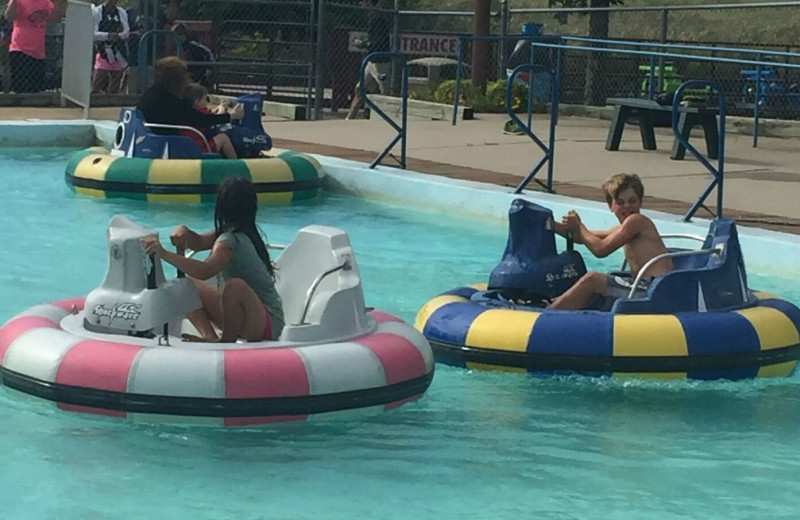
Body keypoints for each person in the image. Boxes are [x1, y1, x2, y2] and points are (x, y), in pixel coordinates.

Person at [141, 177, 285, 343]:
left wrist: (164, 253)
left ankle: (225, 341)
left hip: (267, 323)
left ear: (221, 208)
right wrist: (184, 231)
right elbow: (199, 242)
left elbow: (205, 271)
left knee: (234, 286)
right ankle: (208, 335)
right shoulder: (236, 233)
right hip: (254, 318)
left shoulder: (231, 241)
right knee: (187, 285)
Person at [547, 173, 674, 310]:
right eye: (620, 202)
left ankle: (545, 316)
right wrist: (551, 225)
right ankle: (555, 307)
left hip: (654, 289)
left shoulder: (636, 221)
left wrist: (579, 225)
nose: (627, 206)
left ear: (640, 201)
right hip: (644, 285)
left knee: (593, 279)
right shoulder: (621, 229)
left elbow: (600, 250)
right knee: (593, 283)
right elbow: (583, 237)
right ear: (610, 206)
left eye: (632, 201)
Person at [136, 56, 242, 157]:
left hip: (153, 139)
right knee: (220, 136)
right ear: (177, 80)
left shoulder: (152, 94)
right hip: (171, 143)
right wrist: (230, 117)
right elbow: (200, 119)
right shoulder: (168, 100)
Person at [345, 0, 392, 120]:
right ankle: (349, 119)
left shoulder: (378, 18)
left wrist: (362, 44)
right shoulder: (372, 17)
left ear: (370, 2)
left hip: (381, 63)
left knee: (386, 95)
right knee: (359, 90)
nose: (361, 3)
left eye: (364, 1)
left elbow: (378, 43)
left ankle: (390, 120)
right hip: (371, 62)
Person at [3, 0, 63, 94]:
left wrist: (57, 3)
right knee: (21, 87)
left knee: (36, 88)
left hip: (38, 52)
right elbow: (9, 17)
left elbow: (56, 18)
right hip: (20, 48)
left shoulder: (46, 2)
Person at [182, 82, 237, 159]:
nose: (207, 102)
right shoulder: (200, 112)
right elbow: (215, 118)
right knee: (223, 138)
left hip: (186, 146)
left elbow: (210, 115)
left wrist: (217, 108)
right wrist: (223, 109)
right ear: (197, 102)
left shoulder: (187, 112)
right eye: (205, 99)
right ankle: (235, 162)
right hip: (200, 147)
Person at [92, 0, 130, 94]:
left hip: (118, 50)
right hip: (103, 50)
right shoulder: (97, 11)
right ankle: (93, 99)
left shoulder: (121, 12)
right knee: (97, 82)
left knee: (115, 83)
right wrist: (108, 35)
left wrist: (118, 36)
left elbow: (126, 32)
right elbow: (93, 33)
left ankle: (111, 100)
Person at [172, 22, 215, 89]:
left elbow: (208, 52)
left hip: (198, 72)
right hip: (189, 72)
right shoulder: (180, 47)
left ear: (181, 35)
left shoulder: (193, 45)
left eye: (175, 36)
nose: (173, 39)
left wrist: (209, 68)